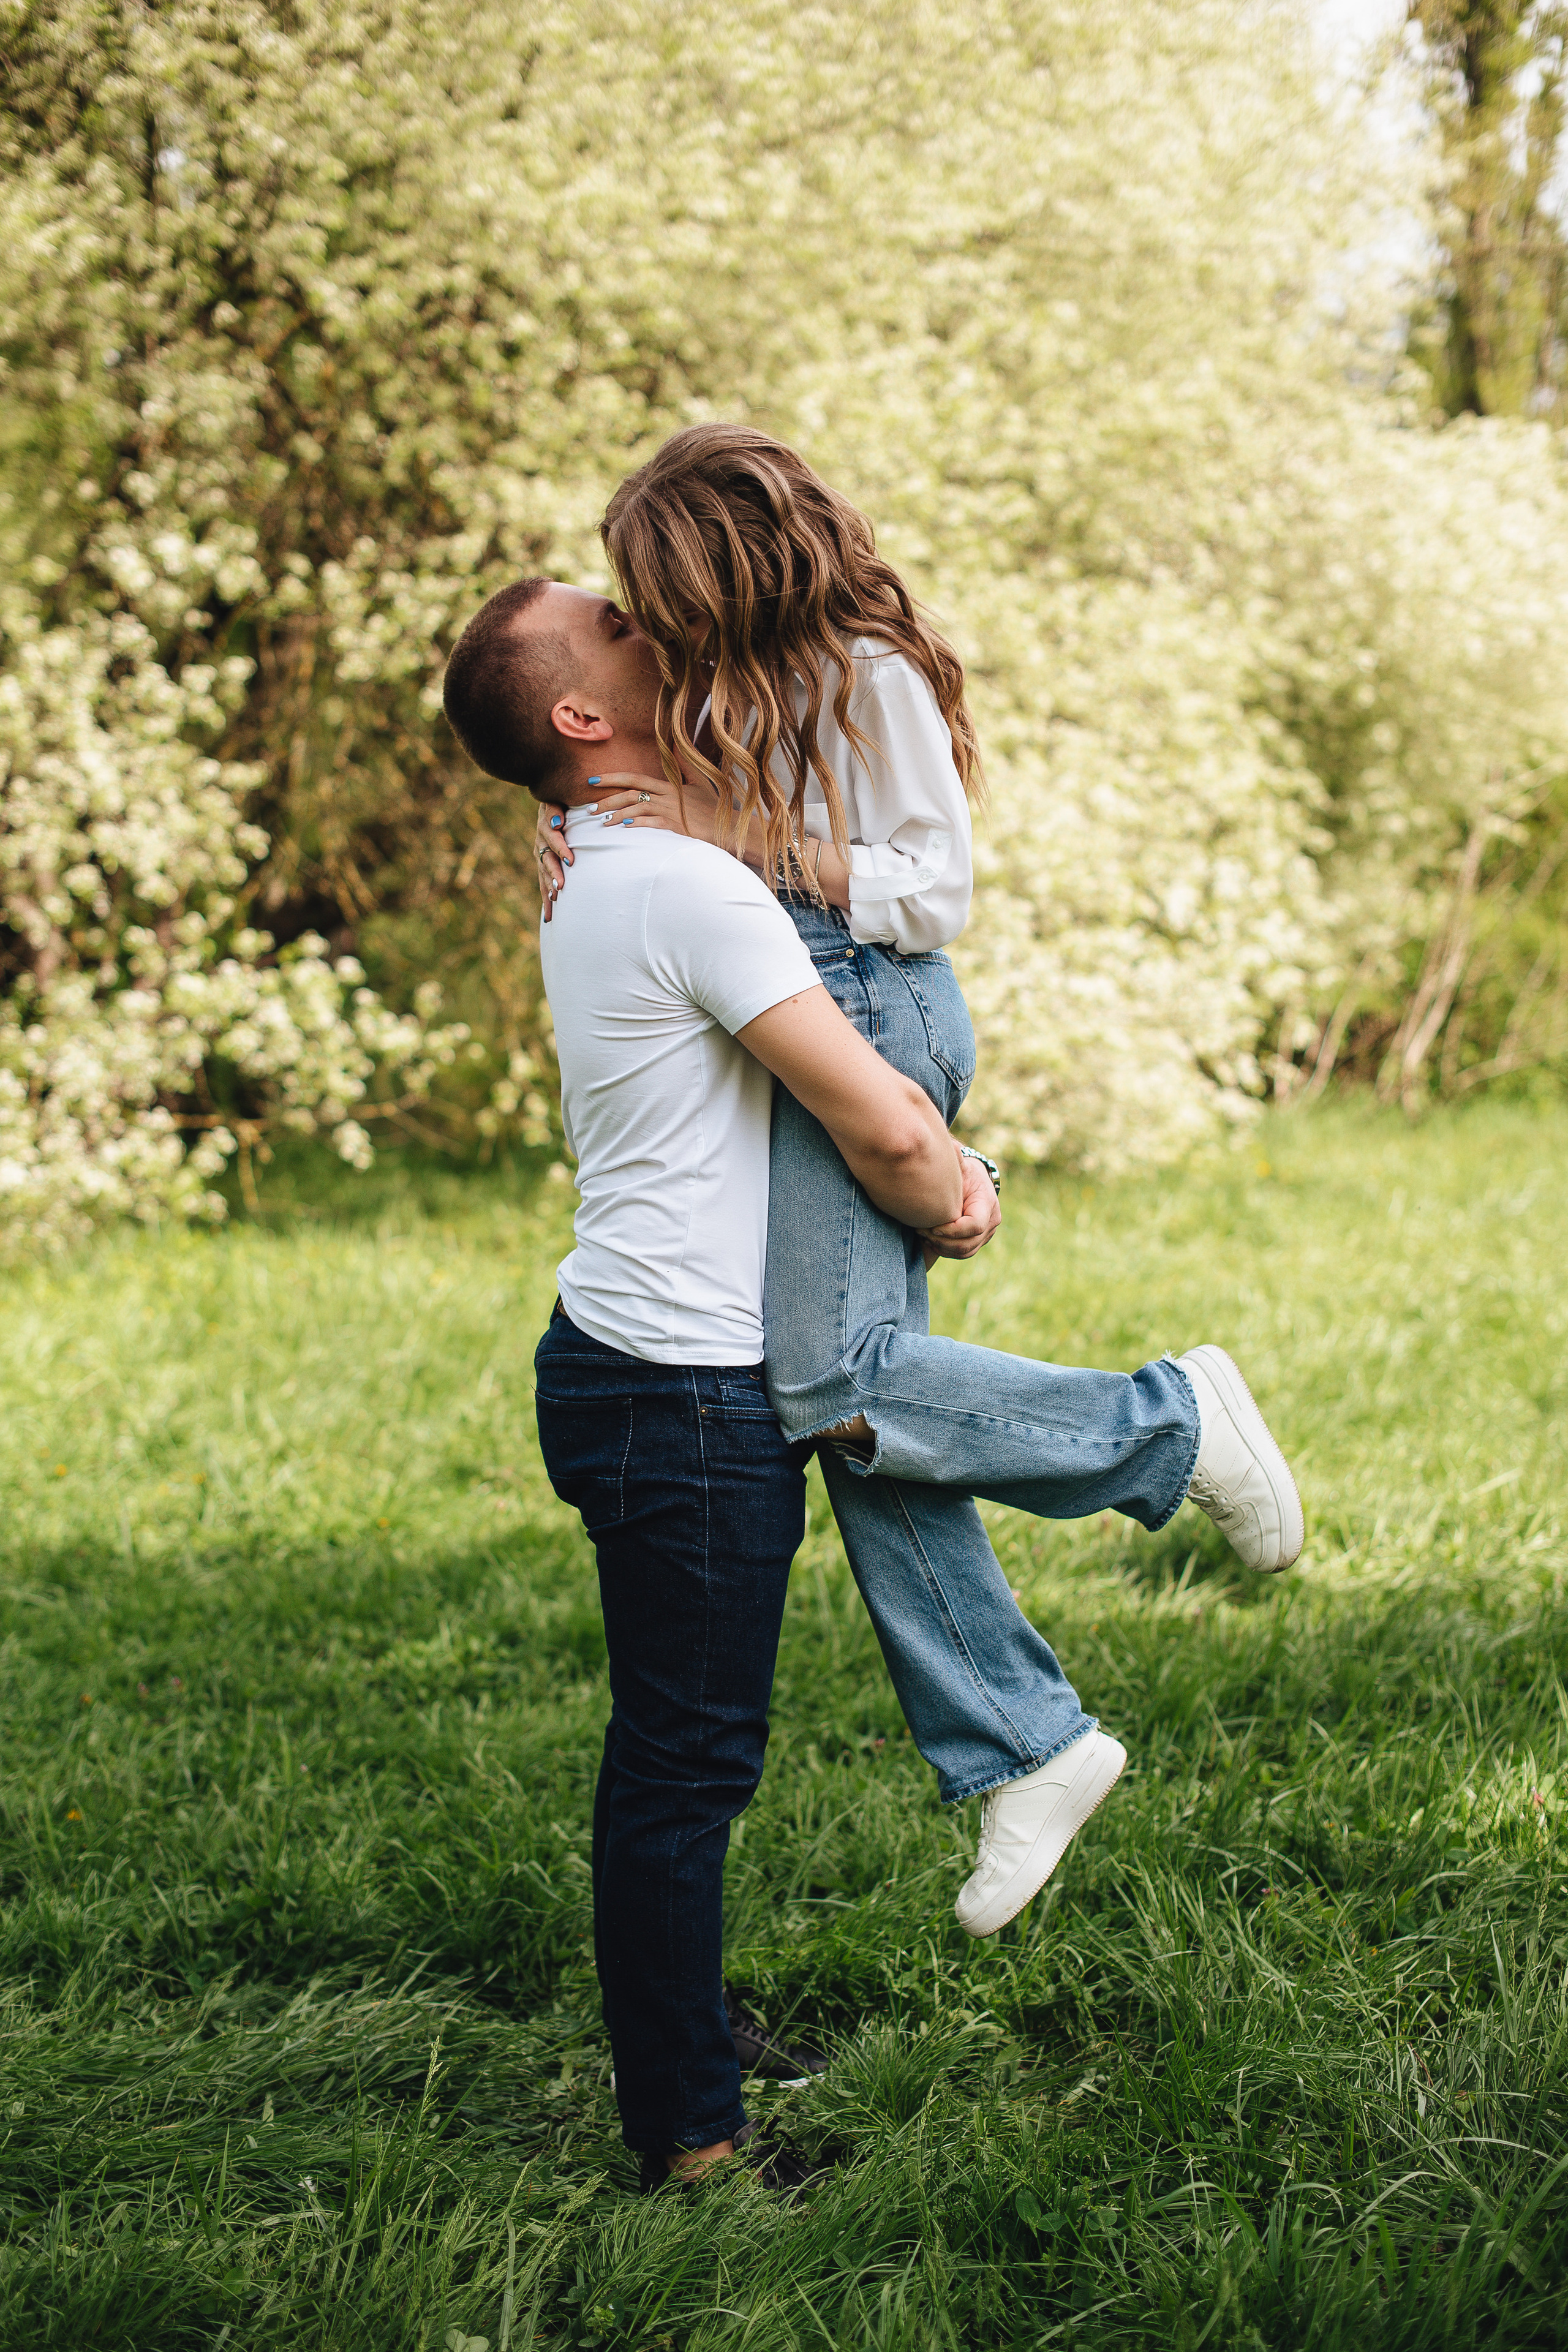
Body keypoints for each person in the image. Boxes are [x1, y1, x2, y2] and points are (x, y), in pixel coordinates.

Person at [440, 573, 1303, 2182]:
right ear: (582, 716)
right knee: (685, 1765)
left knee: (687, 1742)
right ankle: (692, 2137)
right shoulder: (679, 891)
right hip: (677, 1394)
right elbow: (876, 1117)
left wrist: (584, 807)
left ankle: (698, 2019)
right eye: (614, 627)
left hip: (653, 1371)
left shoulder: (614, 865)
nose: (644, 619)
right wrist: (948, 1184)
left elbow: (707, 822)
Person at [533, 427, 1303, 1891]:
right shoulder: (720, 682)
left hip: (871, 996)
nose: (647, 625)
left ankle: (1167, 1426)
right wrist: (571, 829)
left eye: (660, 594)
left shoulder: (863, 672)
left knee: (828, 1381)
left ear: (732, 570)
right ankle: (1024, 1741)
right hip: (808, 997)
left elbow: (928, 891)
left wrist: (729, 827)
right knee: (850, 1413)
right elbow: (605, 765)